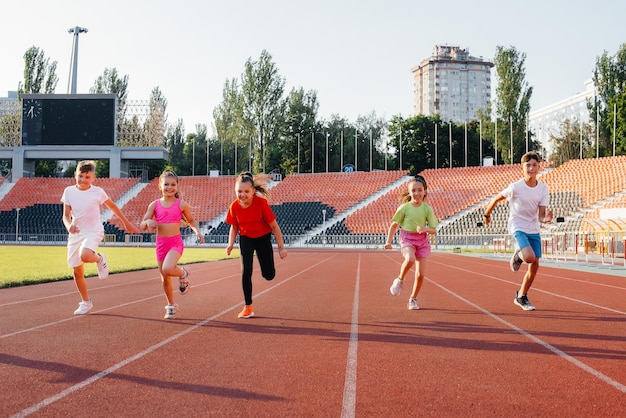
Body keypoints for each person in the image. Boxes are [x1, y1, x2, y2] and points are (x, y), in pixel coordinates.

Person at [61, 160, 139, 315]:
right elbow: (65, 216)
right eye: (80, 176)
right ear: (75, 175)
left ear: (93, 178)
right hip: (76, 233)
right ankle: (85, 302)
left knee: (85, 255)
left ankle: (99, 259)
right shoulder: (68, 191)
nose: (83, 180)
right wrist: (69, 226)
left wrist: (126, 223)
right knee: (77, 272)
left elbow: (113, 206)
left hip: (93, 231)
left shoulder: (97, 192)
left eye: (87, 177)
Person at [484, 151, 553, 311]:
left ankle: (521, 296)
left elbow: (541, 216)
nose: (531, 168)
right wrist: (487, 214)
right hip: (517, 226)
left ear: (538, 167)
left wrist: (546, 219)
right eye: (528, 165)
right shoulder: (515, 187)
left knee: (535, 265)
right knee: (529, 257)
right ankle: (518, 256)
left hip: (533, 228)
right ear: (522, 168)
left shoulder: (543, 189)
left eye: (534, 165)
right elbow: (496, 199)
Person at [140, 169, 204, 319]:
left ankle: (184, 273)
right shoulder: (154, 205)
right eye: (166, 184)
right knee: (164, 276)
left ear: (177, 186)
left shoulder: (181, 204)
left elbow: (191, 220)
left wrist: (197, 232)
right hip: (161, 244)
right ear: (160, 186)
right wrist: (148, 222)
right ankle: (171, 305)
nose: (169, 187)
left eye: (173, 184)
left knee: (168, 268)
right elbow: (142, 225)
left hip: (175, 243)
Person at [226, 171, 287, 319]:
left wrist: (281, 247)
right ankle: (248, 307)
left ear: (253, 191)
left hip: (263, 238)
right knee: (245, 271)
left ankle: (266, 267)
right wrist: (230, 244)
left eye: (246, 191)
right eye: (239, 191)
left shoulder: (261, 204)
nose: (242, 195)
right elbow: (234, 227)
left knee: (269, 275)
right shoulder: (234, 207)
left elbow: (274, 226)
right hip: (246, 238)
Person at [384, 175, 438, 310]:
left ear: (424, 191)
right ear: (409, 192)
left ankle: (413, 299)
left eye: (420, 190)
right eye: (413, 190)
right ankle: (399, 280)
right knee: (410, 259)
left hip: (422, 241)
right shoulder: (404, 208)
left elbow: (433, 229)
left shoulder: (427, 209)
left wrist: (425, 228)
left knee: (420, 275)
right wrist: (388, 241)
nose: (417, 193)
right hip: (407, 238)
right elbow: (394, 225)